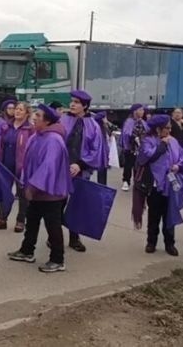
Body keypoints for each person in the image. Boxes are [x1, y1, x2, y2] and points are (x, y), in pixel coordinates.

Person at [7, 104, 70, 273]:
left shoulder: (54, 140)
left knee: (53, 226)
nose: (34, 118)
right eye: (35, 114)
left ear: (47, 121)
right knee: (32, 222)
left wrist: (32, 187)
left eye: (38, 116)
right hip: (36, 191)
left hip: (51, 193)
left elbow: (48, 167)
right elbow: (27, 162)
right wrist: (24, 182)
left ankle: (58, 259)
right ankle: (27, 251)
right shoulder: (37, 136)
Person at [133, 115, 183, 256]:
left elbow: (182, 157)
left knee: (170, 213)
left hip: (171, 184)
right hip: (155, 185)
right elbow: (146, 156)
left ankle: (170, 243)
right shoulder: (148, 141)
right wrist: (162, 145)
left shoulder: (174, 141)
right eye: (167, 128)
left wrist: (178, 166)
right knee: (154, 215)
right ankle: (151, 241)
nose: (169, 130)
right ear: (158, 129)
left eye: (170, 128)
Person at [59, 90, 104, 252]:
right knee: (57, 204)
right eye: (72, 101)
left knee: (77, 205)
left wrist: (80, 164)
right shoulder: (63, 121)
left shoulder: (93, 126)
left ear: (84, 106)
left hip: (80, 170)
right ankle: (55, 236)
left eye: (77, 102)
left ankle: (74, 237)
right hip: (61, 169)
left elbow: (95, 150)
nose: (72, 104)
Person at [0, 101, 34, 232]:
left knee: (23, 194)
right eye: (16, 109)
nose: (17, 111)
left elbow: (32, 148)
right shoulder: (6, 127)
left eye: (20, 109)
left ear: (27, 113)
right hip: (6, 164)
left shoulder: (30, 129)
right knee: (5, 192)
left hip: (22, 166)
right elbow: (0, 145)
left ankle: (20, 221)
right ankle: (1, 219)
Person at [120, 103, 148, 191]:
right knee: (128, 164)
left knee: (138, 166)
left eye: (143, 110)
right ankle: (126, 181)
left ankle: (137, 182)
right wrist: (134, 138)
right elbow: (126, 133)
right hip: (130, 148)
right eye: (141, 110)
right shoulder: (129, 121)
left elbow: (147, 132)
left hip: (141, 148)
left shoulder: (143, 122)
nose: (143, 112)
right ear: (135, 111)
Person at [93, 111, 113, 186]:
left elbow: (112, 130)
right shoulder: (99, 129)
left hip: (105, 153)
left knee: (103, 172)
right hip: (101, 154)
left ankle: (103, 185)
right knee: (101, 172)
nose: (106, 119)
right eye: (105, 117)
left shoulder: (104, 127)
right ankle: (101, 186)